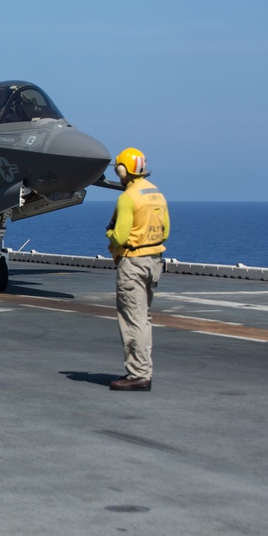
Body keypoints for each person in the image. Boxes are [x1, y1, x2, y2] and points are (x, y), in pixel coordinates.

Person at [105, 148, 169, 391]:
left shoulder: (127, 197)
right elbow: (166, 232)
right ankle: (143, 369)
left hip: (133, 263)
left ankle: (137, 375)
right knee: (144, 319)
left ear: (123, 170)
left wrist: (108, 232)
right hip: (154, 261)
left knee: (132, 320)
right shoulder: (156, 194)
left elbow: (120, 236)